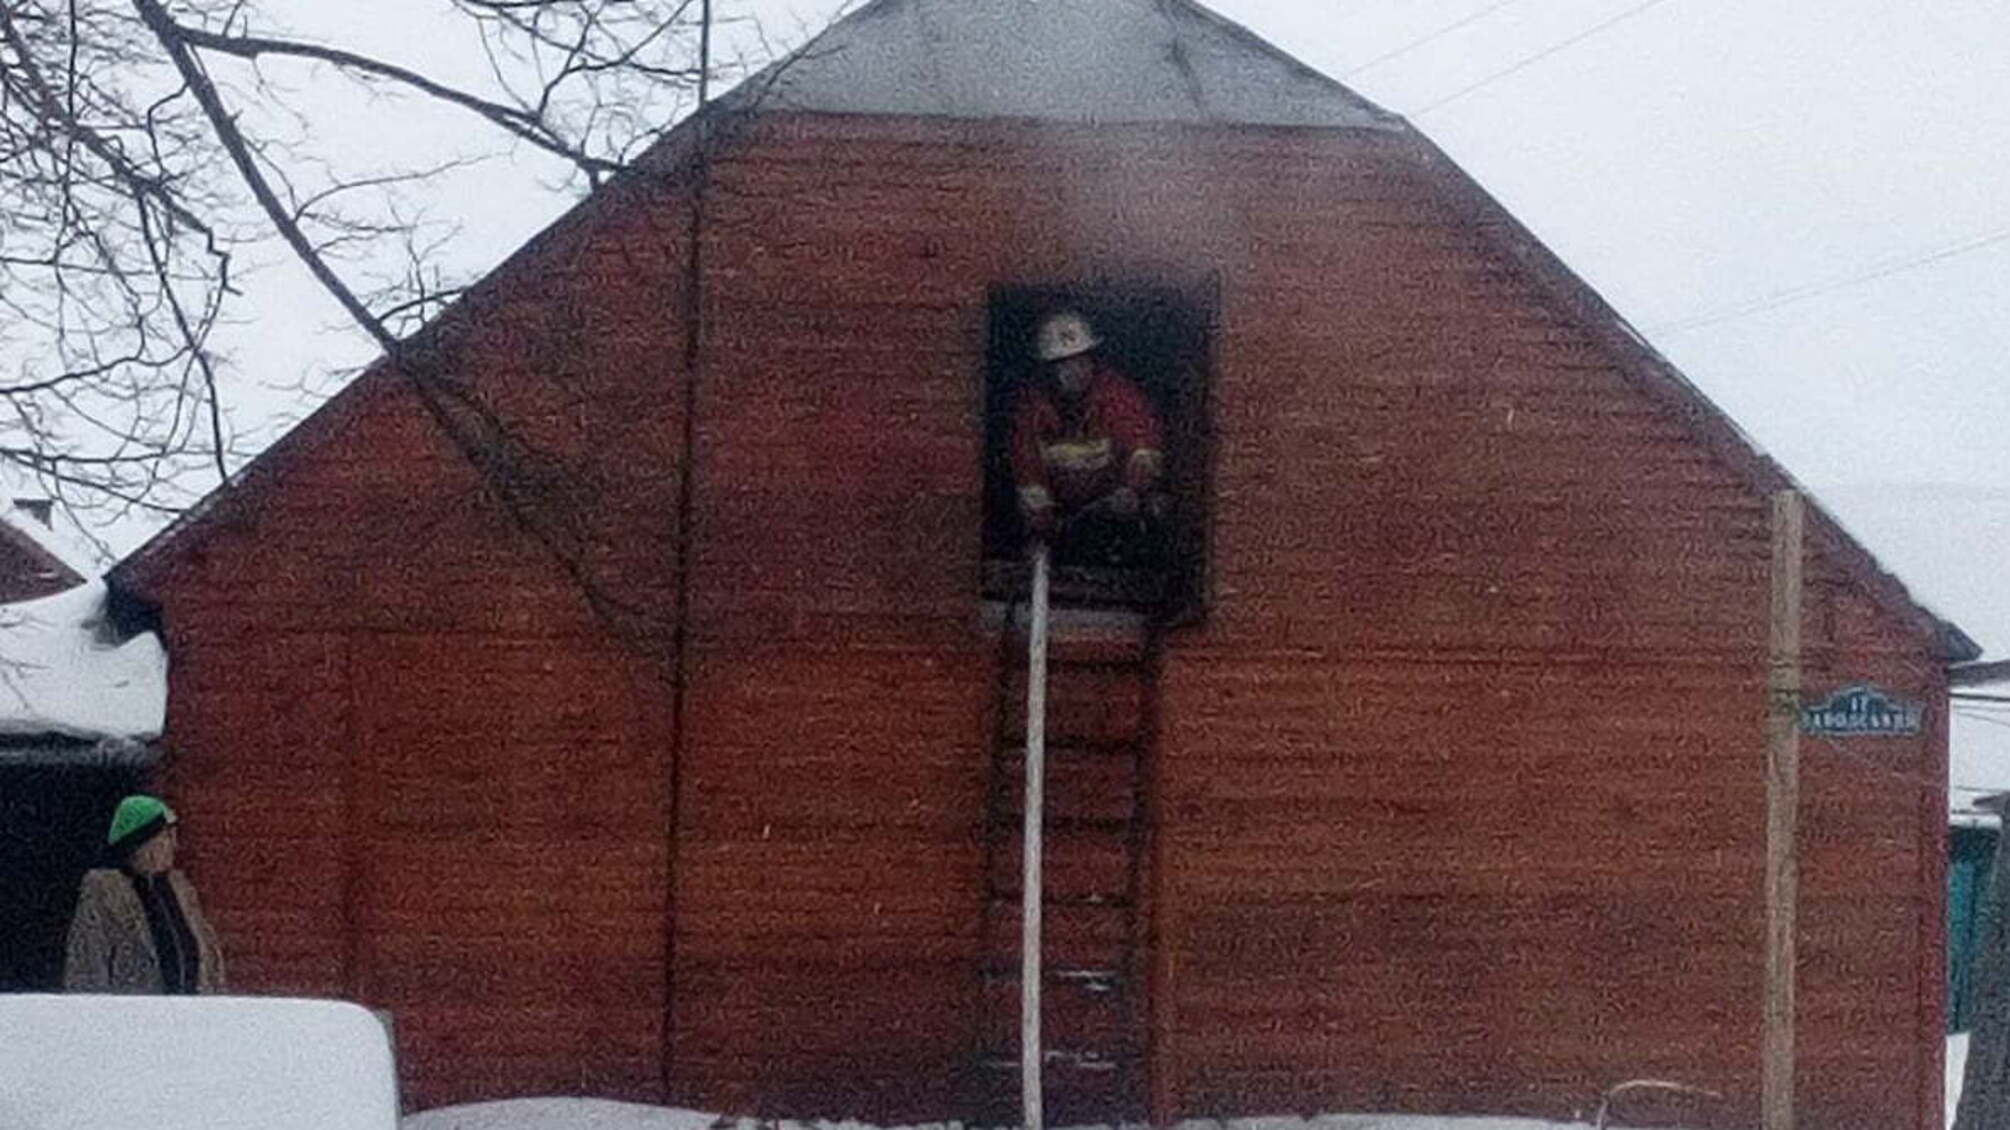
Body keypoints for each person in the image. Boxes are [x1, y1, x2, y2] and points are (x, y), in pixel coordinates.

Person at [1008, 310, 1169, 567]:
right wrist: (1041, 524)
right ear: (1048, 369)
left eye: (1082, 360)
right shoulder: (1032, 409)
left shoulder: (1117, 395)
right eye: (1065, 363)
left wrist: (1132, 488)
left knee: (1158, 509)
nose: (1076, 370)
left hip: (1115, 507)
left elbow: (1144, 447)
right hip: (1064, 519)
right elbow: (1028, 471)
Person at [63, 794, 226, 994]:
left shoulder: (182, 892)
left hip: (192, 1020)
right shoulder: (104, 894)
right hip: (134, 1021)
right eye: (166, 836)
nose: (174, 845)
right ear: (142, 842)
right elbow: (87, 966)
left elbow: (209, 959)